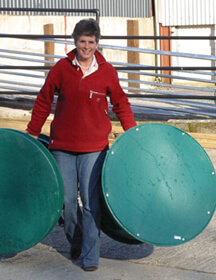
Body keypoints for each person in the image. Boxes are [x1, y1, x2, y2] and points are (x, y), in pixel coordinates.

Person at [25, 18, 136, 271]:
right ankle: (76, 240)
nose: (86, 46)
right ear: (75, 41)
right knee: (66, 204)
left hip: (94, 149)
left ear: (97, 43)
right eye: (82, 41)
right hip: (62, 146)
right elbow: (43, 101)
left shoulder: (107, 71)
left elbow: (121, 103)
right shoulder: (61, 69)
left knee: (90, 203)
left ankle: (90, 256)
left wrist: (133, 134)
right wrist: (32, 132)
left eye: (91, 42)